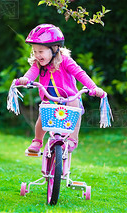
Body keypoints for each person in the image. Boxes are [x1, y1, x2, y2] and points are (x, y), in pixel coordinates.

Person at [18, 24, 104, 153]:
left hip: (69, 99)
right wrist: (25, 79)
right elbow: (31, 73)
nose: (37, 55)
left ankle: (72, 139)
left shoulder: (65, 61)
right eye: (35, 51)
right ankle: (37, 140)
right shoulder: (38, 64)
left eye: (40, 51)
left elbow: (80, 74)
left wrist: (94, 87)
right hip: (51, 99)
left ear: (55, 48)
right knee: (43, 112)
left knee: (74, 105)